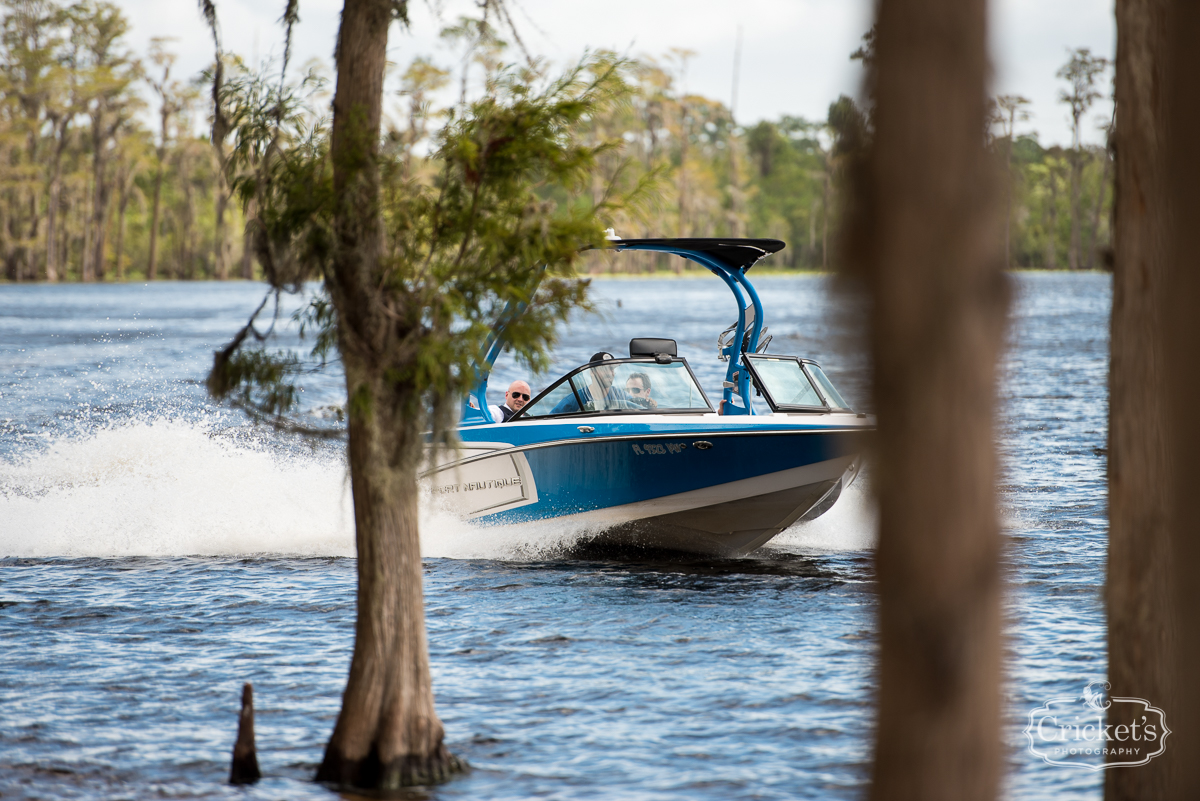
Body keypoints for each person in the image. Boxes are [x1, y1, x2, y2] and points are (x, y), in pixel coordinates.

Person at [551, 351, 631, 413]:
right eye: (605, 369)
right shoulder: (574, 401)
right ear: (592, 372)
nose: (610, 373)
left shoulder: (622, 397)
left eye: (612, 369)